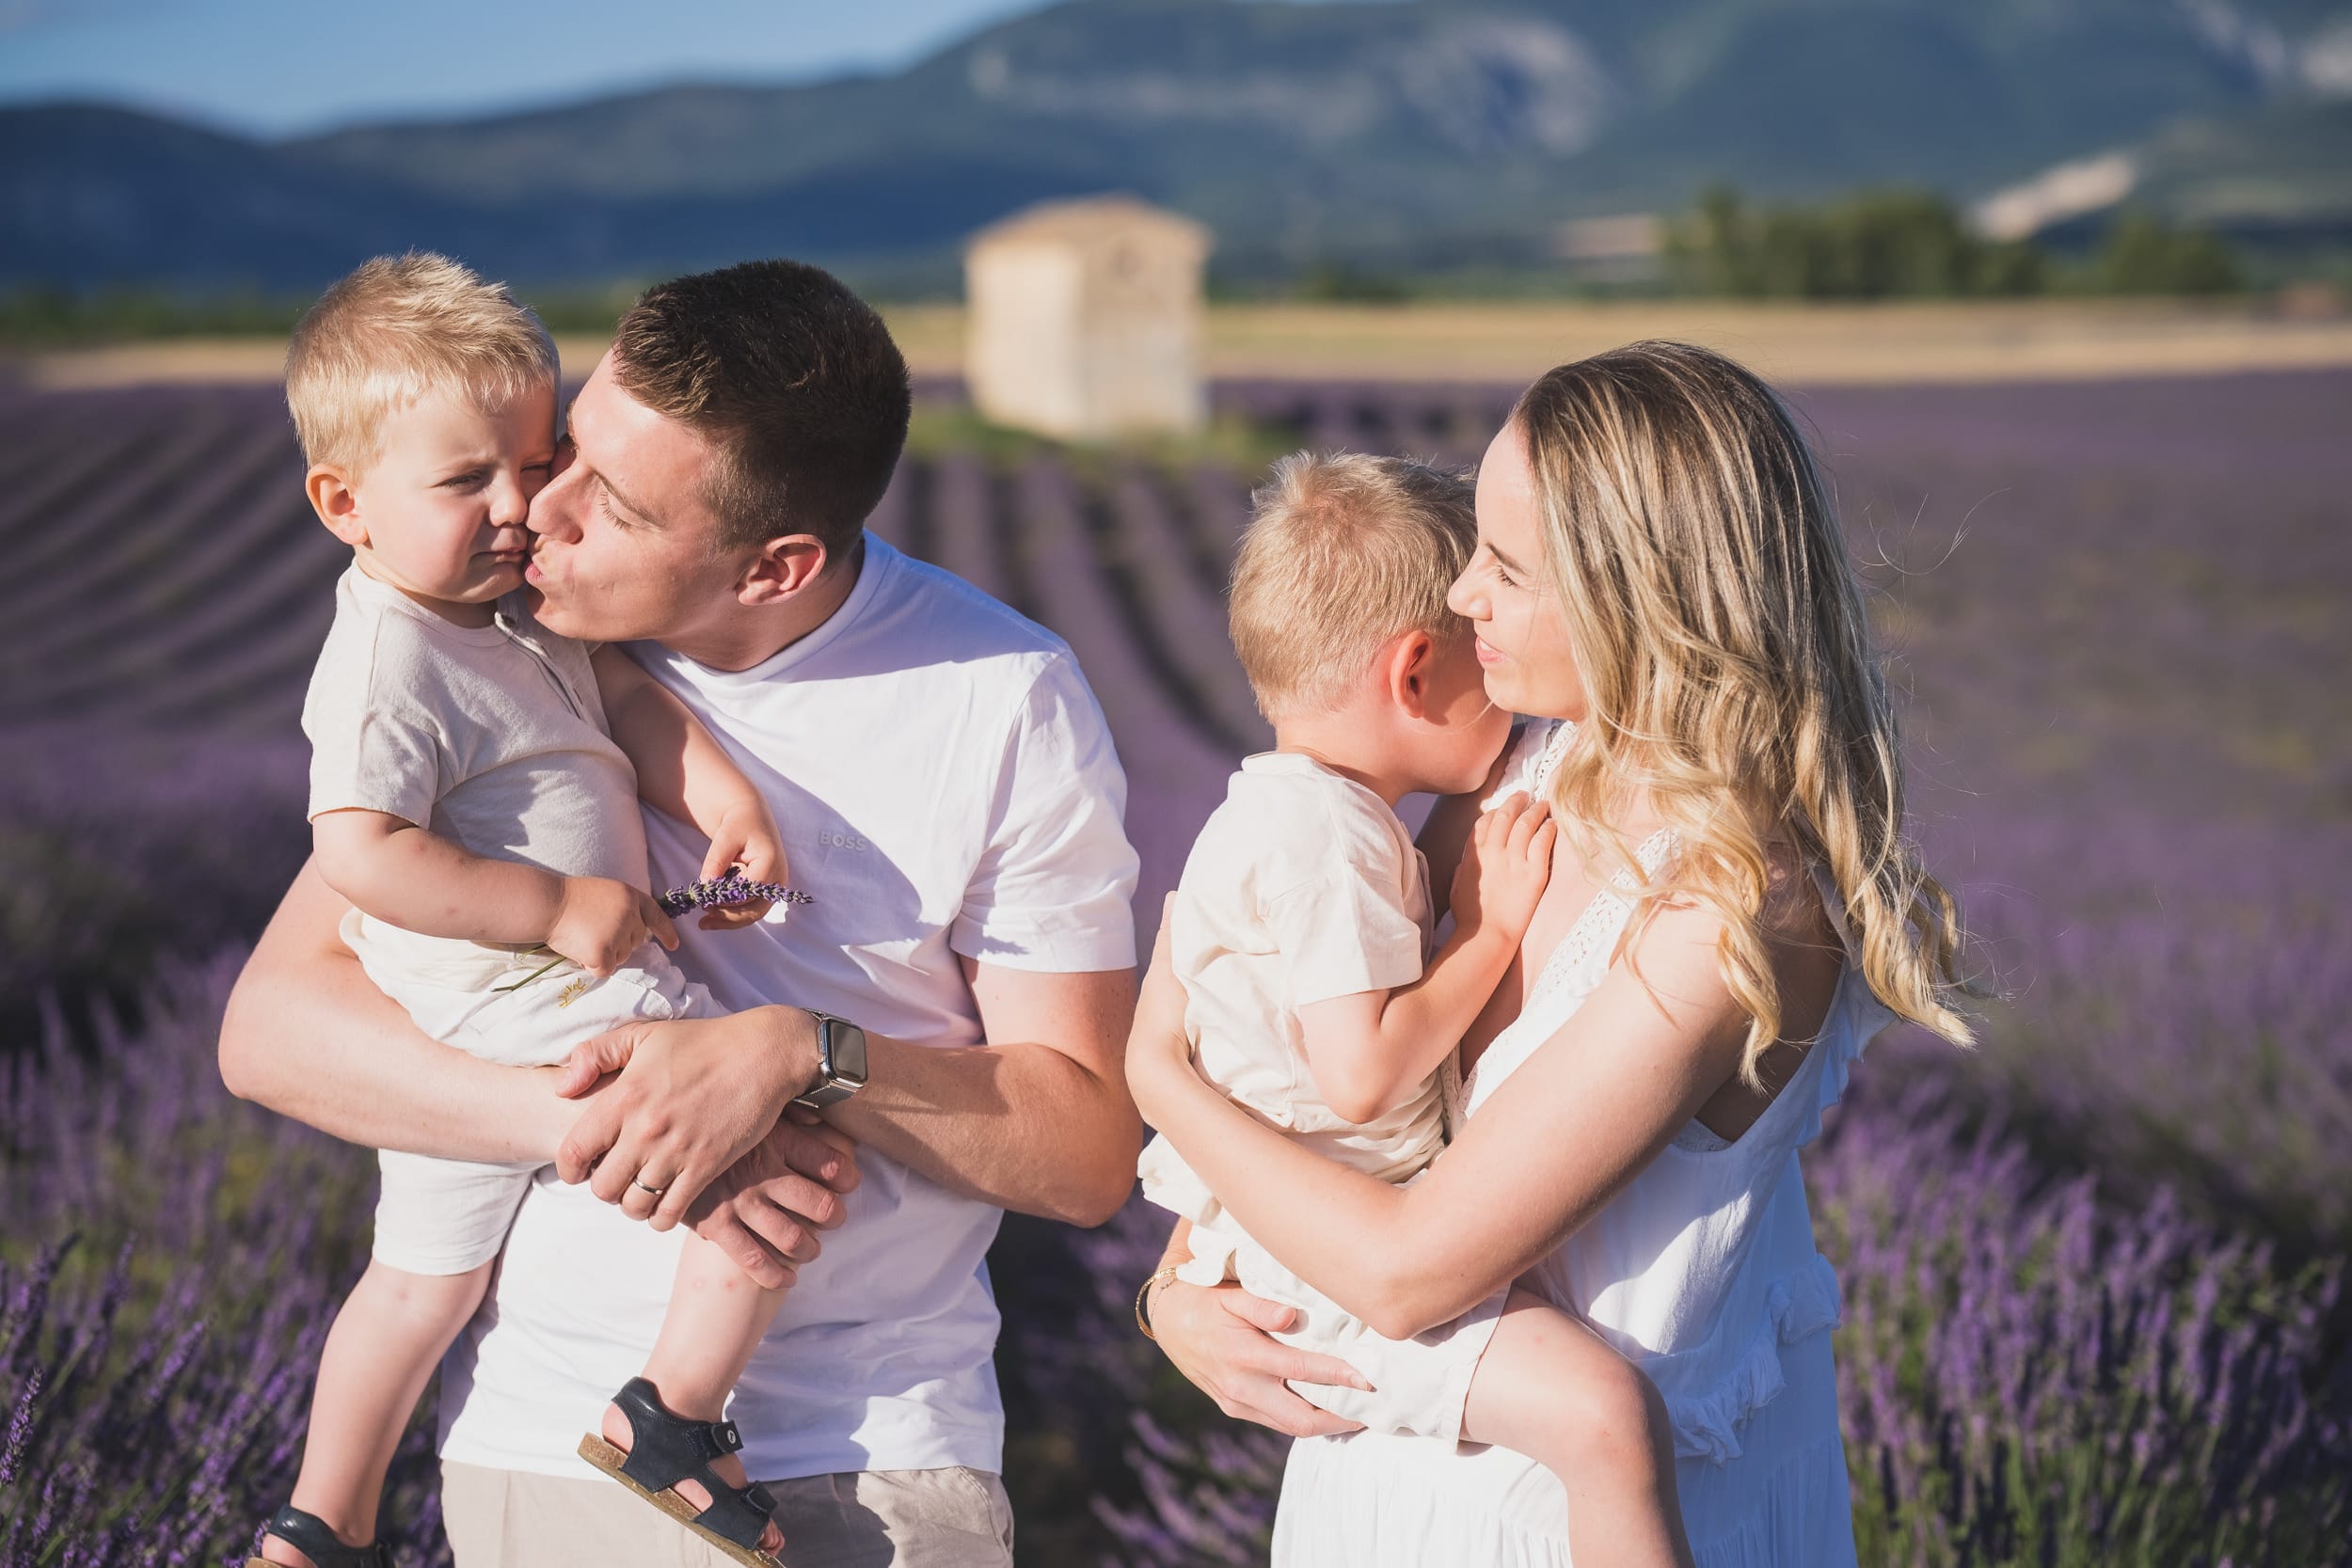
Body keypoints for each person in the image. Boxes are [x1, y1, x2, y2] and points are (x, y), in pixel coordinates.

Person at [220, 257, 1143, 1568]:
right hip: (535, 1445)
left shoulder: (1002, 699)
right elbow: (271, 1032)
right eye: (566, 452)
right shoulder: (500, 641)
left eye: (616, 504)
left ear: (775, 567)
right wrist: (622, 1120)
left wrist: (794, 1054)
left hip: (859, 1458)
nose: (542, 511)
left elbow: (1086, 1148)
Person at [1130, 341, 1974, 1566]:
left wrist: (1159, 1080)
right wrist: (1179, 1281)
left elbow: (1411, 1271)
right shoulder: (1525, 769)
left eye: (1506, 566)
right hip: (1385, 1489)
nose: (1461, 595)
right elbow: (1331, 1098)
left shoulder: (1734, 907)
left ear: (1640, 596)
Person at [252, 252, 803, 1568]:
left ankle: (321, 1521)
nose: (518, 508)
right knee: (778, 1169)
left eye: (535, 459)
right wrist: (551, 904)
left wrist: (728, 798)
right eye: (464, 482)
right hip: (542, 997)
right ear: (345, 504)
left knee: (420, 1279)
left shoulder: (504, 606)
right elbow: (363, 851)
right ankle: (671, 1416)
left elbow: (623, 703)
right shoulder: (389, 659)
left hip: (496, 1015)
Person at [1136, 452, 1692, 1566]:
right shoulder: (1330, 841)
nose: (1497, 663)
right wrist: (1486, 929)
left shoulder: (1269, 812)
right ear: (1414, 672)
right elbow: (1360, 1075)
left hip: (1289, 1231)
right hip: (1330, 1255)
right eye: (1475, 654)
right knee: (1602, 1419)